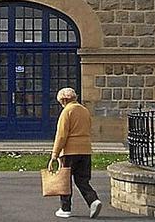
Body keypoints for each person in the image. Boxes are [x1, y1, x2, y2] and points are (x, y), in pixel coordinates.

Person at [50, 87, 101, 219]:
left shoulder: (67, 112)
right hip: (85, 150)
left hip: (69, 151)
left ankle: (65, 208)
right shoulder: (84, 111)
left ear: (65, 100)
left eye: (61, 101)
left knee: (65, 181)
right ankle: (93, 200)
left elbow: (61, 135)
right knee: (82, 180)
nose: (61, 104)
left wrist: (54, 154)